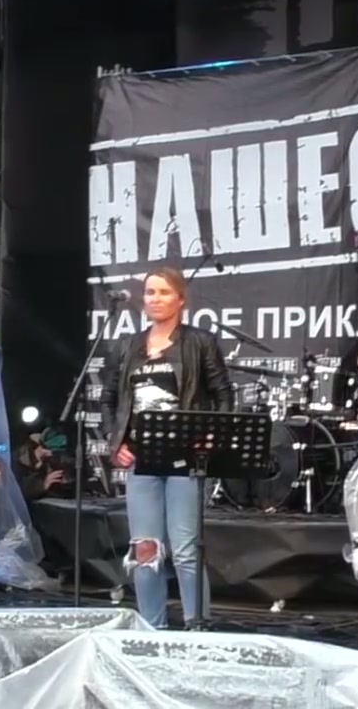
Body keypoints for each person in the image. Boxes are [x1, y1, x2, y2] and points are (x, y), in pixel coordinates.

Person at [99, 267, 234, 628]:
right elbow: (109, 399)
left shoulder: (199, 341)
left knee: (186, 549)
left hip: (185, 457)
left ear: (180, 300)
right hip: (141, 459)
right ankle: (152, 628)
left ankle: (196, 627)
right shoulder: (128, 345)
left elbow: (223, 394)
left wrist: (212, 435)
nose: (155, 299)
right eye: (149, 292)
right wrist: (115, 441)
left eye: (163, 292)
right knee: (144, 548)